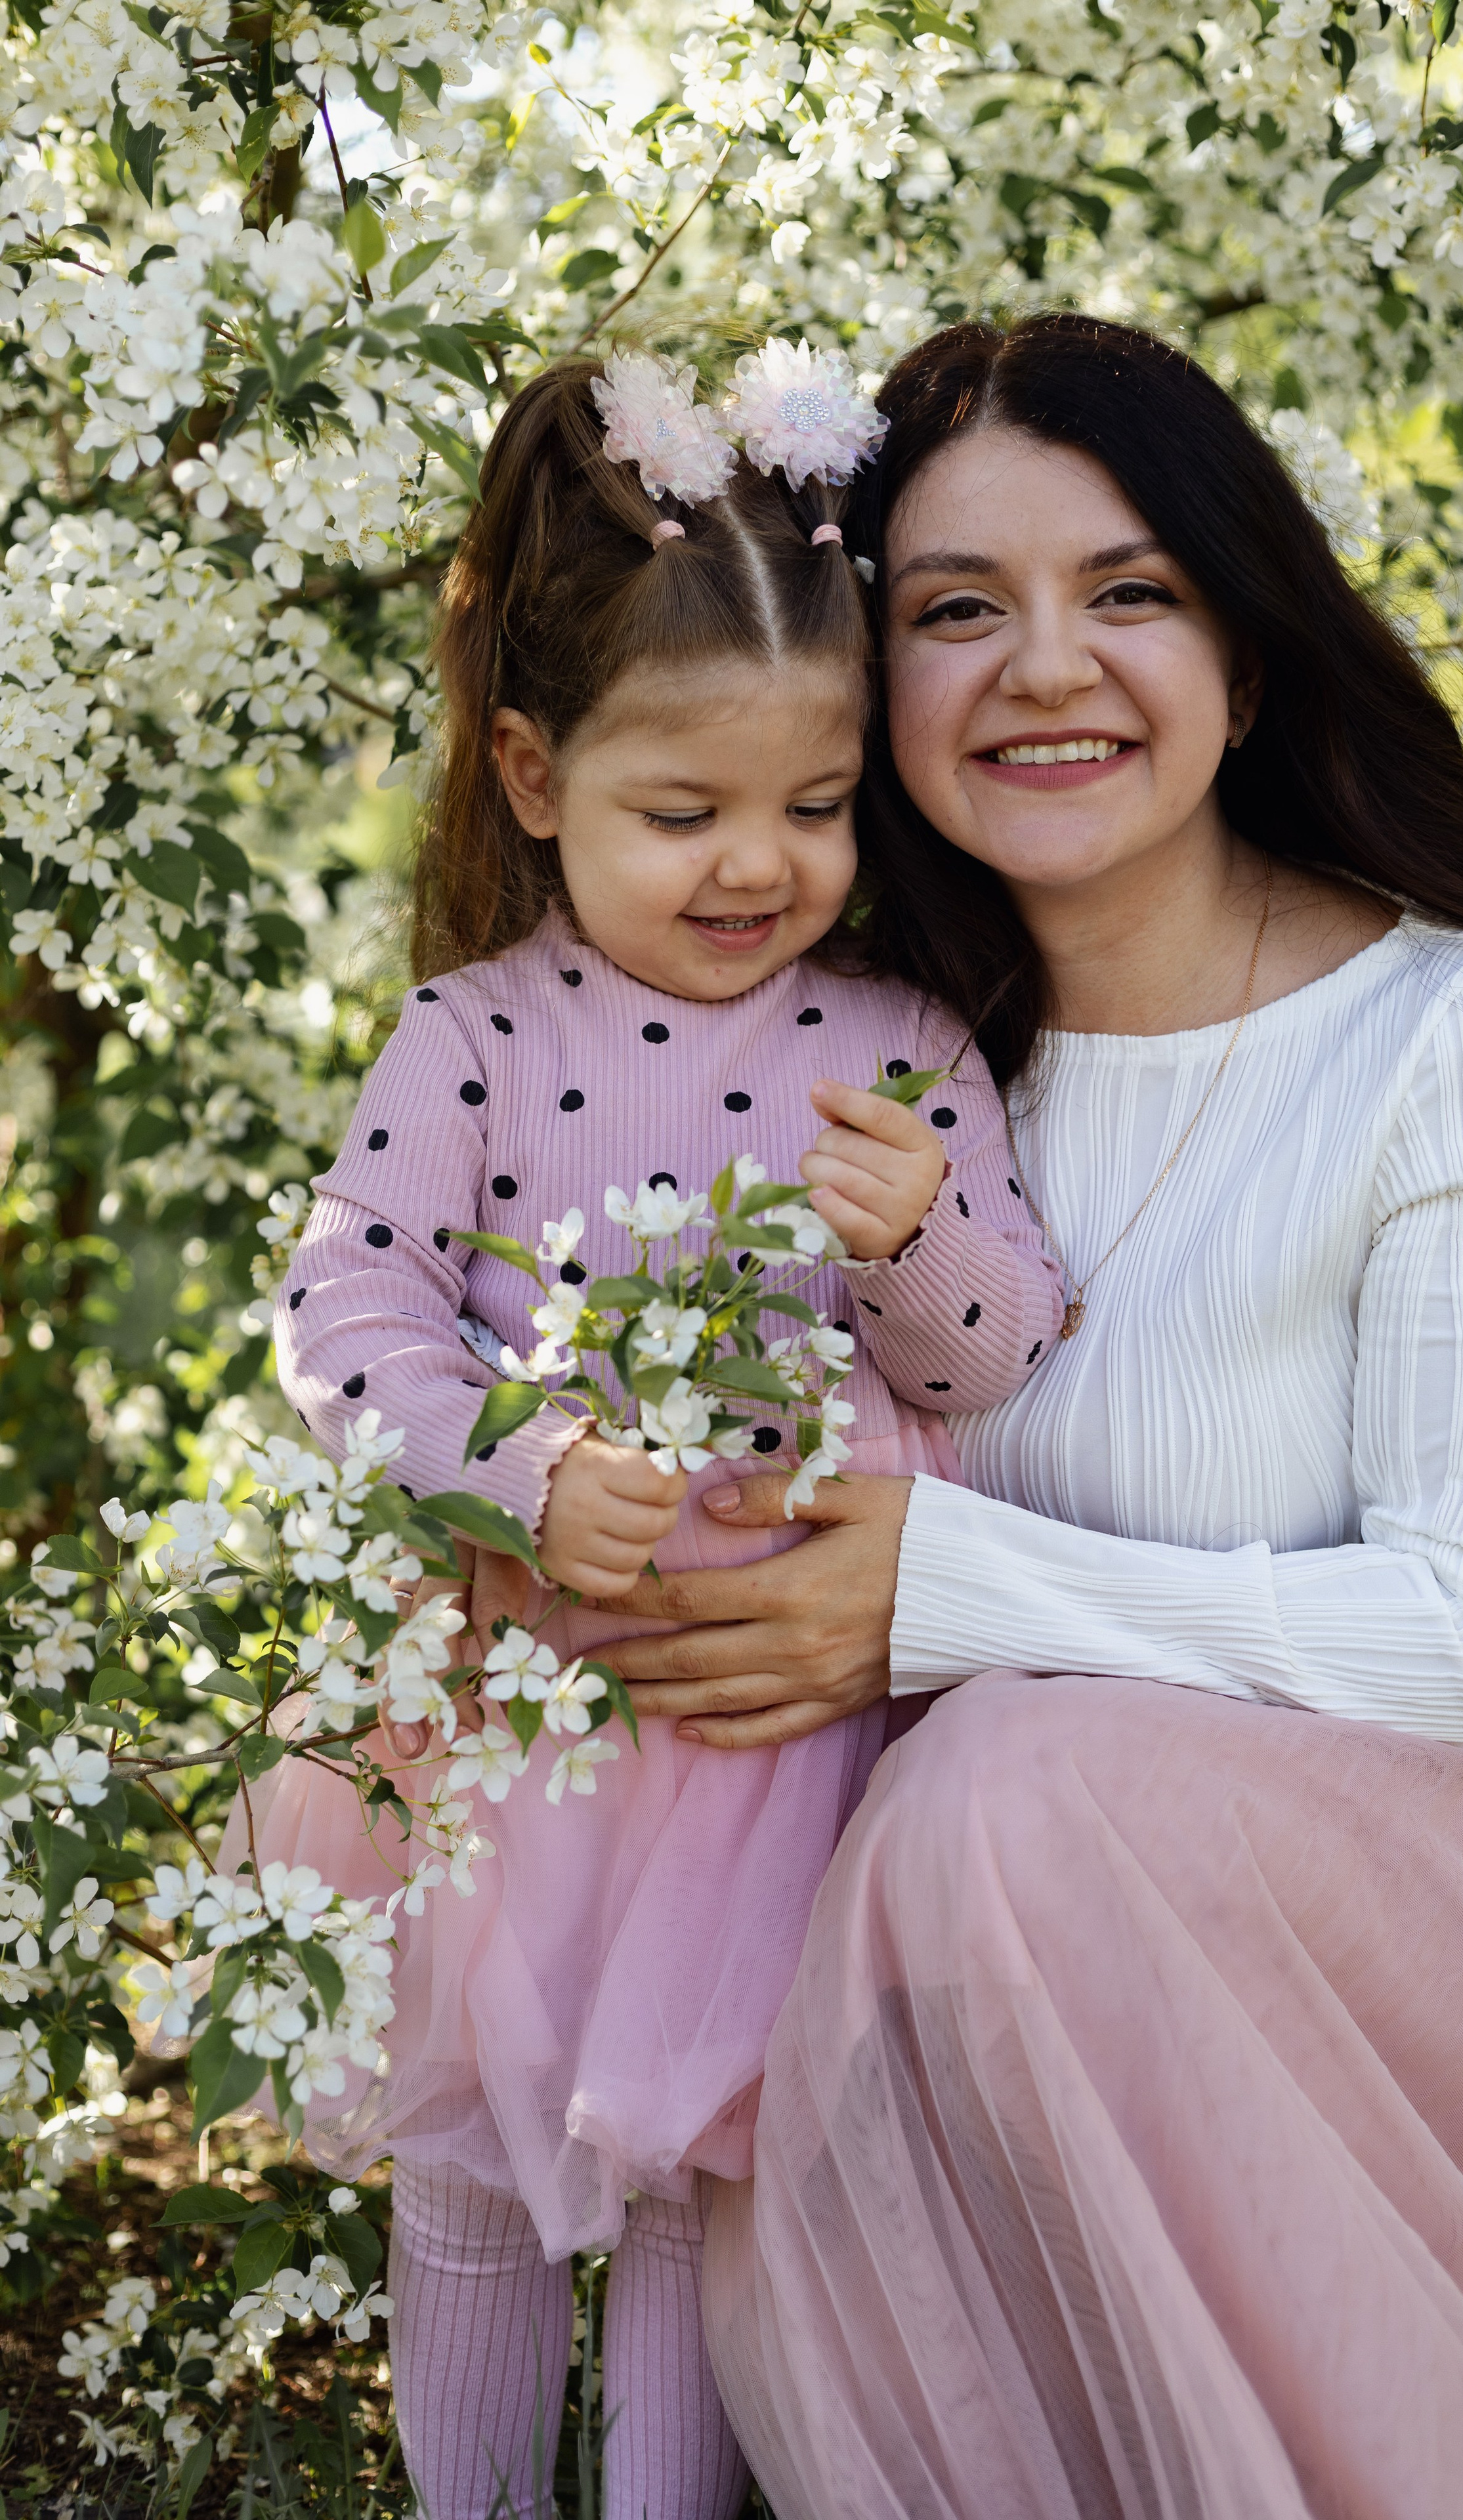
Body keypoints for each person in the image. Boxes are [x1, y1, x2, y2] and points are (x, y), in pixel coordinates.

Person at [520, 315, 1463, 2515]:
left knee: (1018, 1790)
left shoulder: (1450, 1032)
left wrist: (948, 1597)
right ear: (870, 700)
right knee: (956, 1824)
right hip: (969, 2002)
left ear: (1246, 656)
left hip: (1438, 1959)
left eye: (1128, 591)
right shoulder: (872, 1065)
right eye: (960, 611)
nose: (1046, 665)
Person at [257, 350, 1062, 2520]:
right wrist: (515, 1473)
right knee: (486, 2164)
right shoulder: (472, 1037)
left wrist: (907, 1253)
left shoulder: (903, 1045)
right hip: (530, 1717)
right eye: (682, 812)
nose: (756, 868)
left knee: (717, 2165)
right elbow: (345, 1315)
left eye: (813, 809)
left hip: (780, 1750)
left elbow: (1000, 1352)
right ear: (532, 774)